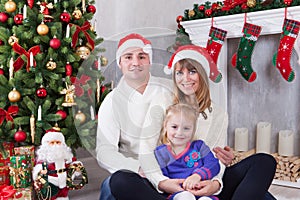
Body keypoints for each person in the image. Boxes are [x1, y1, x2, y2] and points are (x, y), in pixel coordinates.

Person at [109, 45, 277, 200]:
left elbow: (216, 159)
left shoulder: (218, 114)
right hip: (169, 184)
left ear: (202, 74)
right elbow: (146, 150)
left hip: (203, 182)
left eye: (192, 71)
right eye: (179, 73)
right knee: (119, 180)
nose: (185, 79)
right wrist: (162, 182)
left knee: (264, 162)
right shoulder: (162, 101)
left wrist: (215, 185)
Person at [96, 33, 173, 200]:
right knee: (111, 187)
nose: (135, 63)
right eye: (128, 57)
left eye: (142, 56)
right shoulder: (111, 101)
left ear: (149, 61)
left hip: (171, 166)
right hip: (135, 173)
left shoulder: (169, 91)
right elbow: (104, 151)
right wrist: (138, 168)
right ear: (120, 63)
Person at [155, 103, 220, 200]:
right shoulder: (160, 153)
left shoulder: (199, 146)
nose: (180, 132)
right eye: (174, 127)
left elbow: (213, 164)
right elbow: (160, 177)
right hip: (178, 193)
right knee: (186, 197)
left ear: (193, 130)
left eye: (186, 128)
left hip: (203, 192)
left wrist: (197, 175)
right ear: (165, 126)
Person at [32, 131, 74, 200]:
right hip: (50, 187)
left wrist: (75, 167)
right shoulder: (44, 159)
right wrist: (40, 171)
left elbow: (72, 163)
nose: (55, 145)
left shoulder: (65, 157)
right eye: (52, 143)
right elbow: (38, 168)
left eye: (58, 142)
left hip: (64, 190)